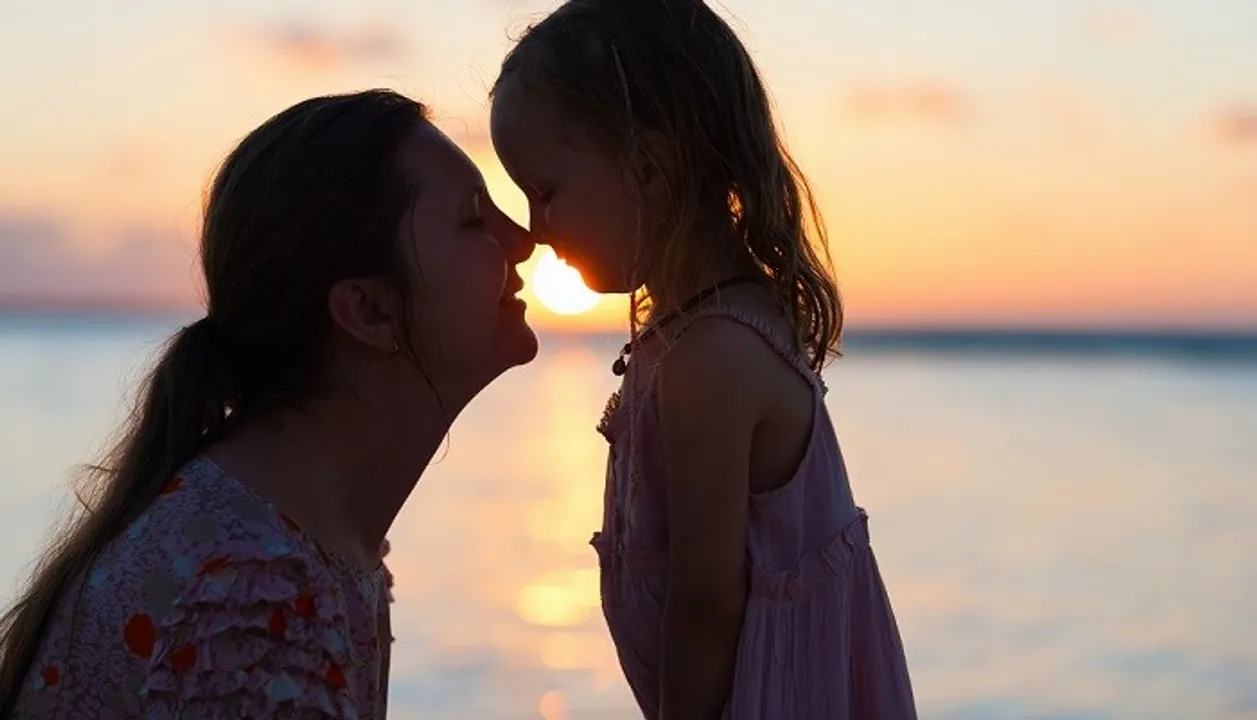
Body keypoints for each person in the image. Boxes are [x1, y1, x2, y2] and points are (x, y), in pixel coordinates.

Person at [0, 89, 537, 718]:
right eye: (474, 218)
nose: (523, 238)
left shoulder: (300, 544)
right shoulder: (252, 604)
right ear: (367, 309)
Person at [490, 1, 916, 717]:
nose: (535, 231)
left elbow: (704, 604)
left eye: (547, 193)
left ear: (650, 167)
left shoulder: (710, 360)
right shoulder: (696, 338)